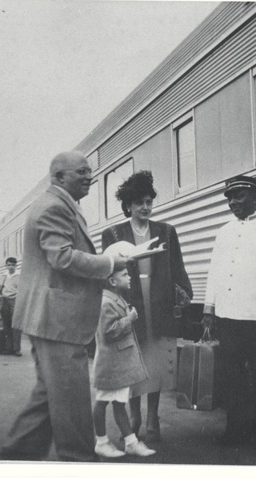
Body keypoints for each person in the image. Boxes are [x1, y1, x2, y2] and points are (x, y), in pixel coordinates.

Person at [0, 151, 131, 462]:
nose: (90, 177)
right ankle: (79, 464)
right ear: (58, 177)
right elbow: (62, 257)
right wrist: (111, 263)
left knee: (49, 397)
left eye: (90, 171)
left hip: (51, 317)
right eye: (81, 172)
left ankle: (14, 458)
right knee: (70, 401)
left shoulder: (59, 204)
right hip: (57, 320)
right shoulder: (54, 207)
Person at [101, 170, 192, 443]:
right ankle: (135, 415)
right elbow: (108, 268)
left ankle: (153, 416)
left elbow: (177, 265)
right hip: (131, 303)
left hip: (160, 302)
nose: (145, 207)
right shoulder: (113, 233)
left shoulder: (166, 231)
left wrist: (185, 291)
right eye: (140, 202)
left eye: (149, 201)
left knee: (155, 364)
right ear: (128, 205)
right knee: (133, 362)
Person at [201, 175, 256, 447]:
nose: (233, 203)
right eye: (230, 198)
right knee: (232, 377)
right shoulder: (224, 231)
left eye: (239, 196)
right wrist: (209, 308)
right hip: (229, 315)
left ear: (254, 195)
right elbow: (215, 271)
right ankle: (235, 430)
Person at [91, 260, 155, 459]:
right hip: (111, 365)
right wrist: (130, 319)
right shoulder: (106, 302)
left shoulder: (114, 297)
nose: (129, 278)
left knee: (118, 403)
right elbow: (108, 332)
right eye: (125, 275)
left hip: (117, 364)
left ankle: (130, 442)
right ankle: (101, 442)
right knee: (102, 402)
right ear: (112, 280)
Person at [0, 257, 22, 356]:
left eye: (13, 265)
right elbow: (1, 287)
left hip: (15, 300)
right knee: (6, 324)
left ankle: (16, 349)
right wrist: (0, 298)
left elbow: (23, 288)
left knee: (16, 324)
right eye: (9, 265)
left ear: (16, 265)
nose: (11, 267)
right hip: (5, 300)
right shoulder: (4, 276)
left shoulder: (19, 275)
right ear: (6, 266)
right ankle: (8, 348)